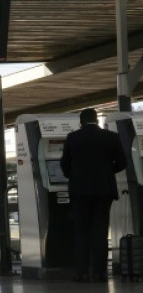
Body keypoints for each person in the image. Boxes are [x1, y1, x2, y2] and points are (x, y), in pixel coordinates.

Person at [60, 107, 127, 282]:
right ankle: (100, 272)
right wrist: (106, 172)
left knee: (81, 231)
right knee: (100, 231)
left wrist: (75, 175)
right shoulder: (111, 137)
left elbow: (65, 164)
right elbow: (122, 162)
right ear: (96, 120)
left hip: (80, 191)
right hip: (104, 191)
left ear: (81, 121)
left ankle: (81, 272)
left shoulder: (73, 138)